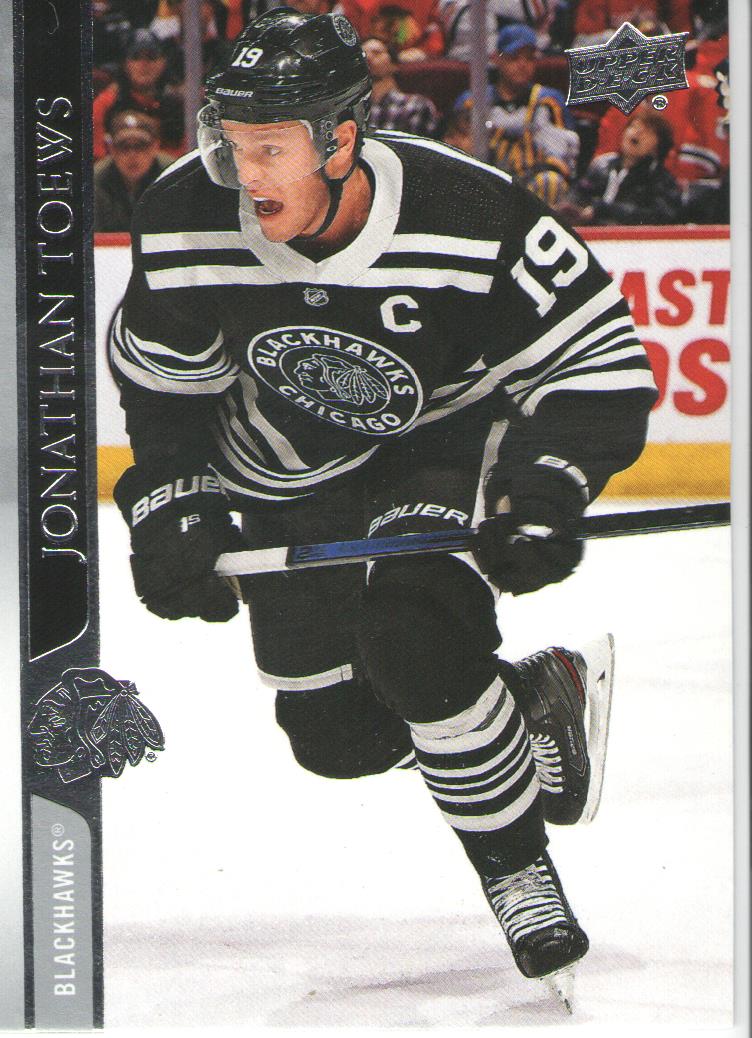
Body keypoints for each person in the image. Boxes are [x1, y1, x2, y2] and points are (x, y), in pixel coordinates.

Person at [109, 9, 656, 997]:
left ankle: (517, 871)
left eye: (270, 150)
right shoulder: (185, 213)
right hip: (281, 470)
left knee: (416, 640)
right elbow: (163, 389)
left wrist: (548, 484)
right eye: (232, 146)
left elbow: (598, 362)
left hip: (438, 443)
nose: (244, 176)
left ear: (341, 140)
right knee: (337, 740)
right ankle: (527, 704)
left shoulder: (472, 211)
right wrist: (172, 500)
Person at [455, 24, 579, 207]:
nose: (522, 65)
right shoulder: (472, 101)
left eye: (529, 58)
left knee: (551, 182)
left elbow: (563, 158)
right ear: (497, 59)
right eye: (514, 58)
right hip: (486, 183)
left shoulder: (549, 101)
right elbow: (455, 150)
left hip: (533, 186)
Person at [562, 112, 683, 225]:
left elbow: (661, 216)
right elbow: (577, 195)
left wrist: (606, 210)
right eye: (634, 127)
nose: (637, 132)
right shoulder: (602, 166)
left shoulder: (661, 179)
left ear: (658, 147)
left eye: (647, 131)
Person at [93, 28, 185, 160]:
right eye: (136, 57)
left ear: (163, 62)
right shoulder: (105, 104)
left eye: (151, 57)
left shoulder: (178, 105)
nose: (144, 64)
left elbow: (183, 156)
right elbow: (97, 158)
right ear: (125, 64)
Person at [94, 110, 174, 232]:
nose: (132, 155)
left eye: (140, 146)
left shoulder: (172, 175)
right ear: (111, 149)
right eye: (124, 146)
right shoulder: (95, 180)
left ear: (155, 146)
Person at [363, 36, 440, 137]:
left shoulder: (416, 105)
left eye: (376, 53)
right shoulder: (353, 108)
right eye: (363, 54)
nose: (368, 58)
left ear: (394, 64)